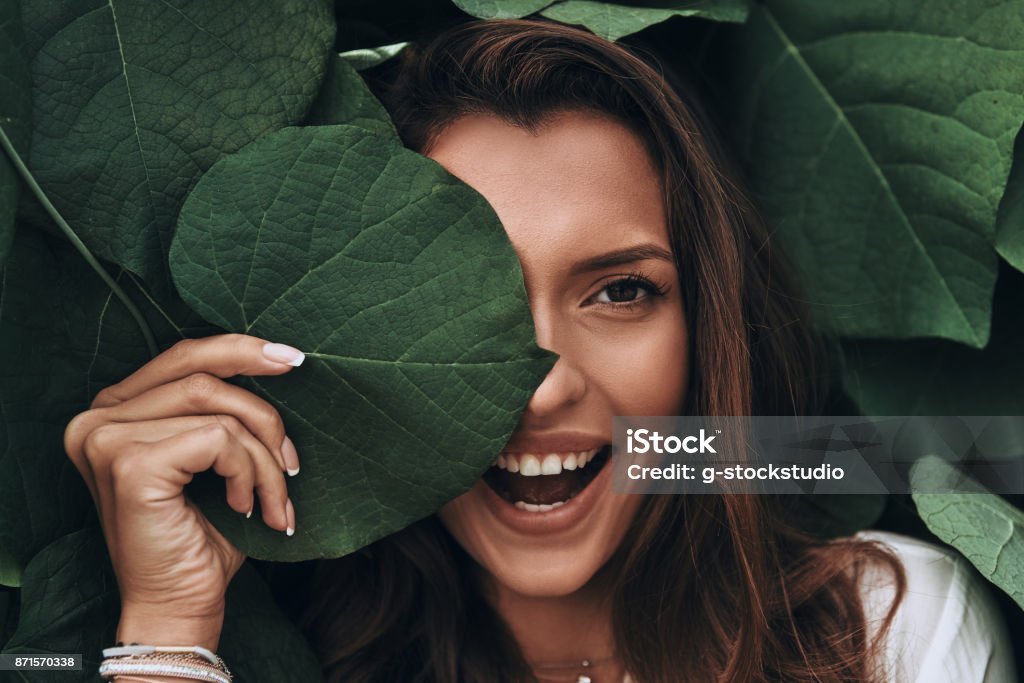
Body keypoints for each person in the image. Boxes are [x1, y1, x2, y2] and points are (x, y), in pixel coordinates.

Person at [63, 18, 1015, 683]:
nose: (541, 382)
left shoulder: (887, 628)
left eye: (621, 290)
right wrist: (170, 636)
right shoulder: (273, 650)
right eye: (460, 300)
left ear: (709, 323)